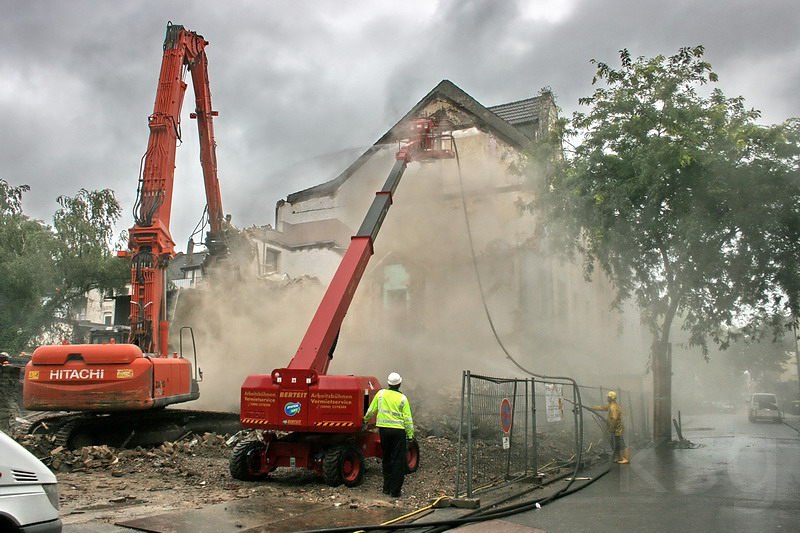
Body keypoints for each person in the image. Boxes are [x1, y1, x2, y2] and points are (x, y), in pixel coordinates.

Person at [363, 372, 415, 497]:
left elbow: (371, 410)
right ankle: (395, 491)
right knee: (398, 460)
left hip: (384, 431)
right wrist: (410, 435)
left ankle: (386, 488)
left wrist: (365, 420)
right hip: (398, 432)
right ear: (399, 384)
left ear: (388, 383)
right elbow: (408, 419)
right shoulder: (403, 398)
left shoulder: (381, 394)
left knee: (386, 458)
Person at [593, 390, 630, 464]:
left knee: (621, 443)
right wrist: (594, 408)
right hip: (614, 428)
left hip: (617, 429)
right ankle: (619, 458)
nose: (607, 398)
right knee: (614, 444)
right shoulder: (611, 405)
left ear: (611, 398)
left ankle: (626, 459)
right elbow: (603, 408)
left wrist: (612, 428)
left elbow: (614, 418)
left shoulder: (613, 407)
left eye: (608, 397)